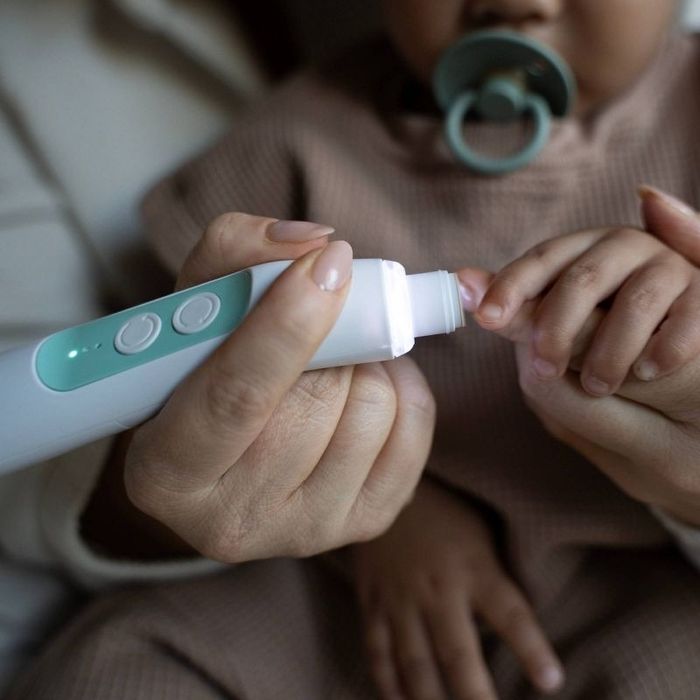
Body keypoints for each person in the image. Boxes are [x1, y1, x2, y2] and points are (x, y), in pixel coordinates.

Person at [8, 1, 700, 699]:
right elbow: (182, 398)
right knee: (115, 667)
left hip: (624, 581)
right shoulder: (287, 147)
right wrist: (389, 521)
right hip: (323, 580)